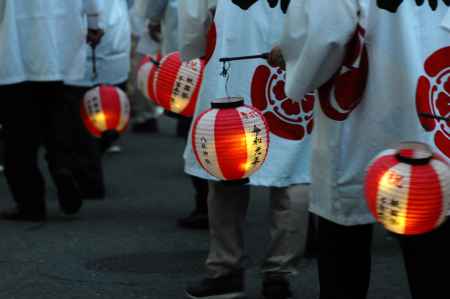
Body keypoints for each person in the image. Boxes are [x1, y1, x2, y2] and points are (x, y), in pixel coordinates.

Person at [272, 1, 450, 298]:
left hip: (361, 111)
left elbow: (325, 34)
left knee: (344, 237)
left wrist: (296, 64)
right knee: (431, 223)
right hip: (435, 100)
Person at [179, 1, 313, 298]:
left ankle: (225, 268)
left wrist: (194, 45)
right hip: (292, 53)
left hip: (234, 49)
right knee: (293, 167)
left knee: (226, 156)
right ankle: (279, 273)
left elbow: (193, 13)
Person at [0, 0, 103, 221]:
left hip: (15, 47)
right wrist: (94, 23)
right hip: (61, 46)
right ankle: (62, 166)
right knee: (58, 120)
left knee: (18, 136)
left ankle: (30, 203)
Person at [136, 0, 211, 230]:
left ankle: (206, 204)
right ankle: (219, 202)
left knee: (198, 124)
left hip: (191, 38)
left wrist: (154, 18)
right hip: (232, 42)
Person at [64, 0, 133, 198]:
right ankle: (87, 168)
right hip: (111, 37)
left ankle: (86, 173)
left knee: (83, 119)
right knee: (110, 111)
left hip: (88, 37)